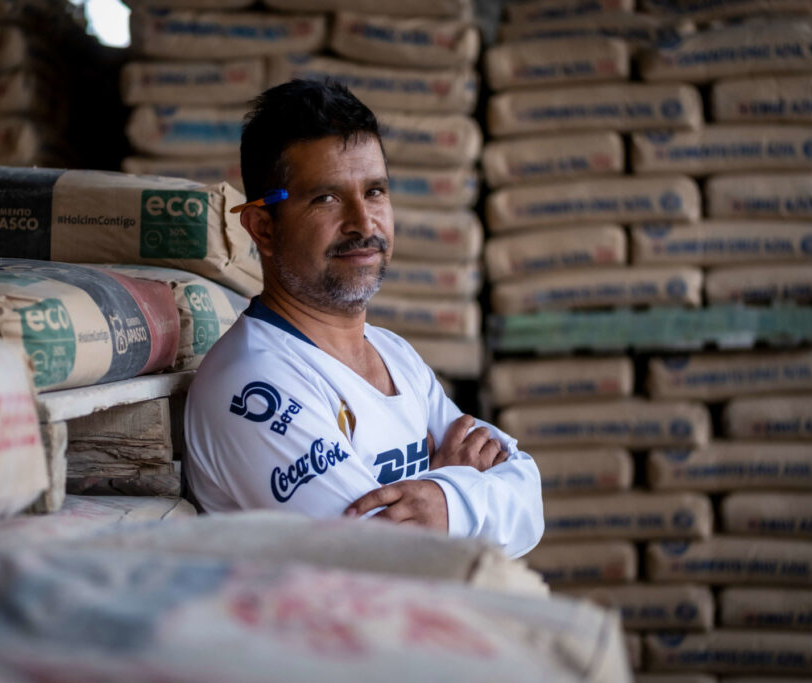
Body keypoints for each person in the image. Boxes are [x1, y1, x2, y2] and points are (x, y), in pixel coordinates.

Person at [183, 79, 543, 558]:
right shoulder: (254, 386)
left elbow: (529, 497)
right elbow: (381, 559)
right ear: (265, 228)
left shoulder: (396, 356)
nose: (363, 222)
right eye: (326, 199)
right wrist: (458, 482)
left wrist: (445, 502)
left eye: (374, 191)